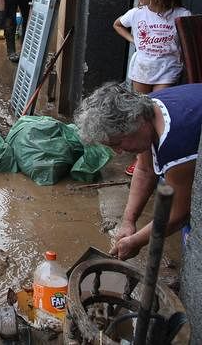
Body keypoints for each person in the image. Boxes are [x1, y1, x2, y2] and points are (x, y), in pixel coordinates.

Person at [75, 82, 202, 260]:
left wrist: (137, 241)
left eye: (118, 143)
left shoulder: (176, 145)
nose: (118, 152)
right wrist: (128, 222)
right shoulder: (145, 107)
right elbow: (144, 170)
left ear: (136, 122)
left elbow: (178, 213)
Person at [113, 0, 190, 94]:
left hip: (168, 68)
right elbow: (117, 25)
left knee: (158, 101)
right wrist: (134, 40)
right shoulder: (136, 13)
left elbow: (190, 42)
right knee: (141, 102)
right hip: (143, 68)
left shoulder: (182, 15)